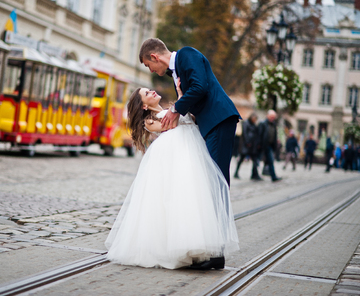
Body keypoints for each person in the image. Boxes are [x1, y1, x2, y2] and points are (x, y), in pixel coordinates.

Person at [105, 87, 239, 270]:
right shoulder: (150, 121)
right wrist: (182, 97)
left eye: (149, 90)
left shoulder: (173, 108)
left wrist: (183, 102)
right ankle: (179, 247)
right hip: (175, 156)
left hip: (192, 153)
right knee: (176, 199)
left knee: (194, 200)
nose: (152, 91)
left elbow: (191, 120)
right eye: (147, 93)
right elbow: (172, 124)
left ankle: (201, 246)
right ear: (143, 105)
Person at [138, 38, 241, 187]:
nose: (151, 70)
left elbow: (200, 87)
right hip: (208, 123)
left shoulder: (186, 54)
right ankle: (214, 210)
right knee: (210, 176)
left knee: (217, 176)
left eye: (149, 65)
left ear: (155, 57)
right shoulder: (175, 72)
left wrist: (175, 109)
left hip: (218, 119)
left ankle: (220, 211)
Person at [233, 113, 262, 180]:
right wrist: (247, 142)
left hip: (253, 145)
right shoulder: (246, 123)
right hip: (246, 145)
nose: (255, 120)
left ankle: (254, 174)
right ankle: (236, 172)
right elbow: (245, 133)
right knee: (241, 159)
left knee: (255, 160)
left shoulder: (254, 125)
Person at [259, 110, 282, 182]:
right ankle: (254, 174)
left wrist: (276, 142)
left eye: (274, 117)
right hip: (263, 145)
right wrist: (258, 145)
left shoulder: (274, 124)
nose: (272, 118)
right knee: (256, 160)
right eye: (271, 117)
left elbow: (274, 134)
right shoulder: (263, 124)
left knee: (271, 160)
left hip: (269, 146)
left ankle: (273, 176)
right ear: (267, 116)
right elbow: (259, 135)